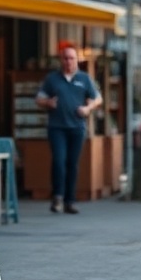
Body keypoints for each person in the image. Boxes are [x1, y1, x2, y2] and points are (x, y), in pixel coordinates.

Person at [36, 43, 103, 214]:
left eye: (71, 58)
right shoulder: (52, 79)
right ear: (61, 60)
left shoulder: (84, 79)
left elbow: (97, 99)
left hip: (77, 127)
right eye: (65, 58)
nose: (68, 61)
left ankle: (70, 200)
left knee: (72, 163)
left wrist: (88, 109)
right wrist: (48, 102)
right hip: (57, 127)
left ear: (77, 60)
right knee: (59, 161)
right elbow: (39, 99)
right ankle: (57, 196)